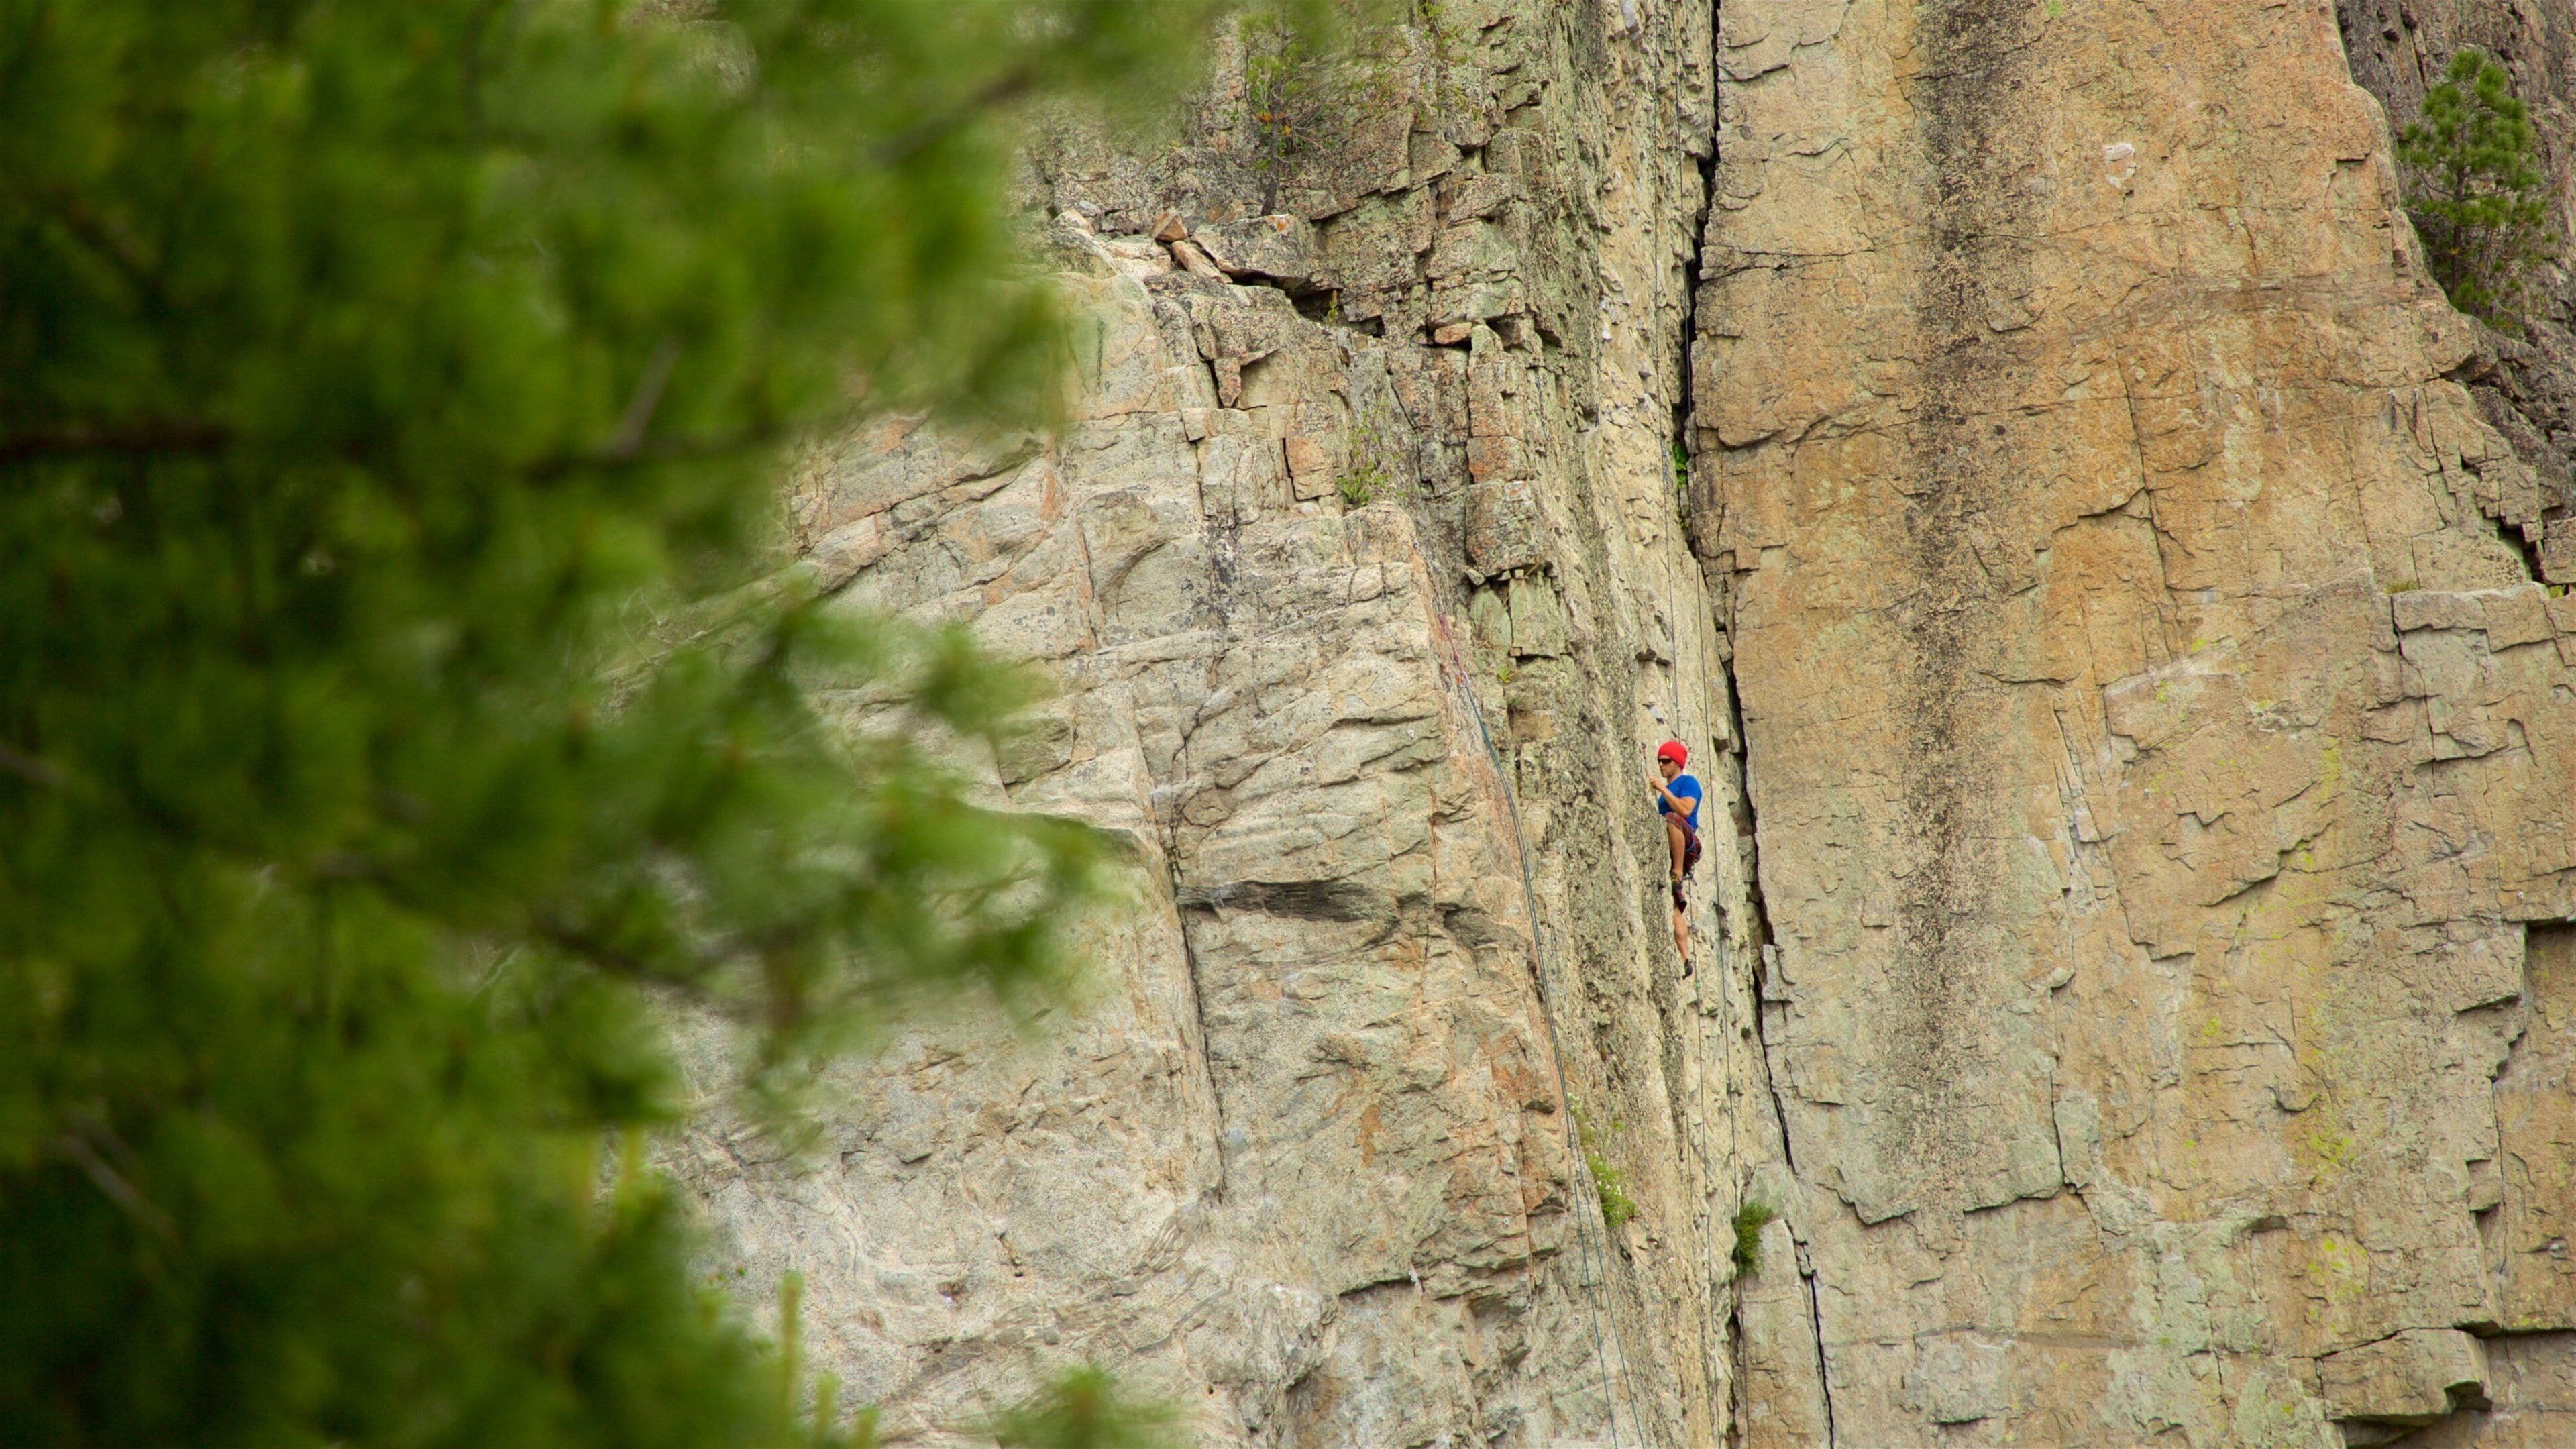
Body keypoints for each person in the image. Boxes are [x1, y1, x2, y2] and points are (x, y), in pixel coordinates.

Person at [1651, 740, 1703, 966]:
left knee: (1673, 818)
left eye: (1666, 761)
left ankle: (1678, 873)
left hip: (1686, 839)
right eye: (1659, 761)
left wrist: (1662, 789)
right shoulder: (1666, 794)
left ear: (1677, 763)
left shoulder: (1688, 783)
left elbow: (1685, 810)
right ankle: (1685, 959)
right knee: (1675, 904)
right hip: (1673, 844)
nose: (1661, 765)